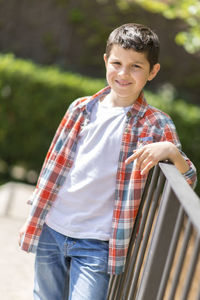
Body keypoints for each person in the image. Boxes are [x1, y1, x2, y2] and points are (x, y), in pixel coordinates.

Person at [19, 23, 197, 300]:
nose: (123, 74)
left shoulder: (157, 124)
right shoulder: (80, 108)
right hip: (52, 229)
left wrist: (172, 151)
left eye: (136, 66)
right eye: (117, 63)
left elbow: (187, 181)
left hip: (98, 243)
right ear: (106, 61)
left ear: (153, 71)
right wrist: (35, 216)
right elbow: (53, 166)